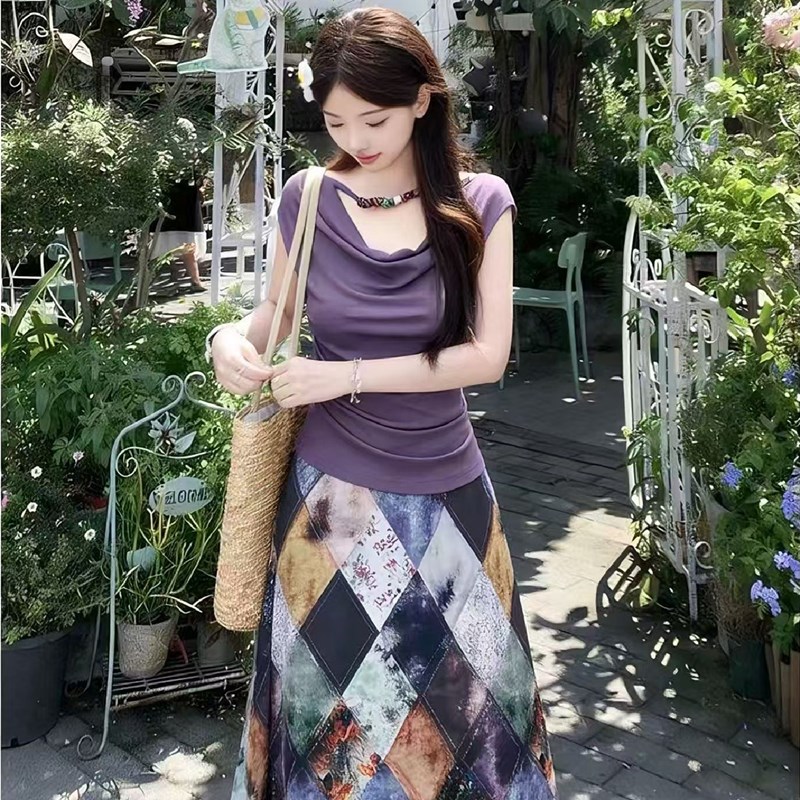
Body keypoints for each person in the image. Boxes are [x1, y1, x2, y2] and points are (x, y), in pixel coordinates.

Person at [209, 8, 557, 799]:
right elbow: (277, 315)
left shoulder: (481, 201)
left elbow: (486, 356)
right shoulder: (309, 196)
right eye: (337, 122)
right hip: (330, 507)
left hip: (450, 504)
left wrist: (346, 375)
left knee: (466, 730)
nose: (357, 138)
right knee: (334, 738)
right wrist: (228, 339)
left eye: (375, 119)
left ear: (422, 100)